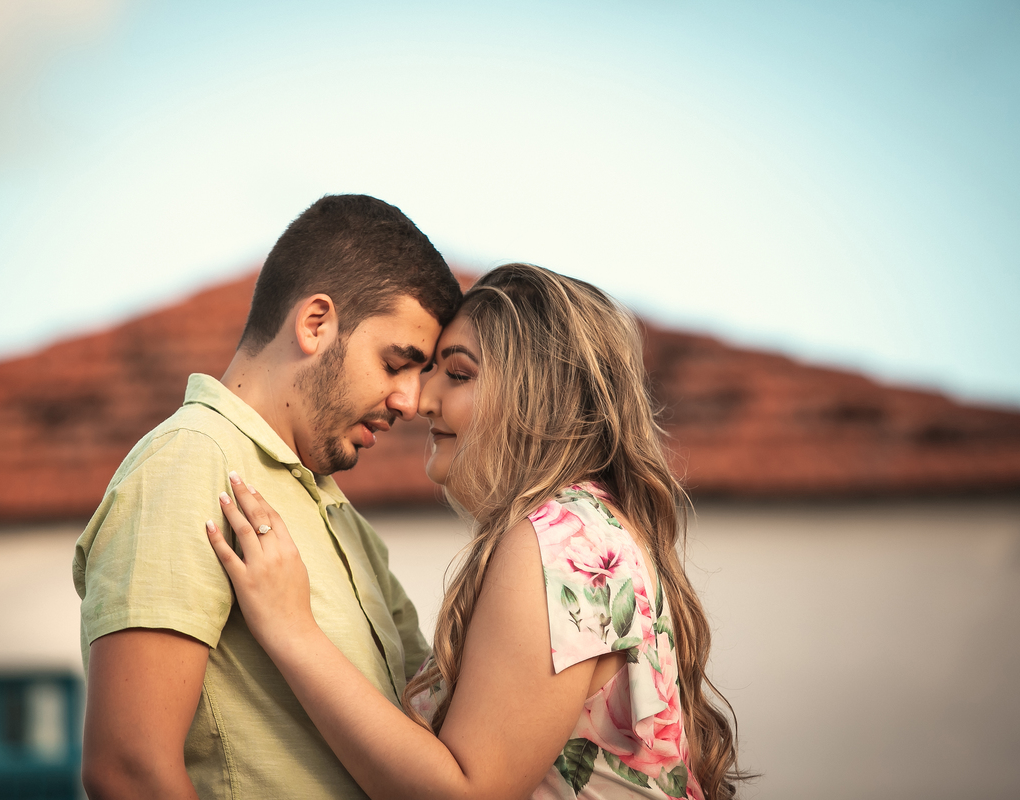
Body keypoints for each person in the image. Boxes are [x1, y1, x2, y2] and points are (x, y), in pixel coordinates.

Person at [207, 263, 745, 799]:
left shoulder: (562, 542)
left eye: (458, 374)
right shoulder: (590, 525)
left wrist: (291, 630)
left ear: (537, 394)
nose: (419, 401)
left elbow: (467, 793)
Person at [74, 194, 462, 800]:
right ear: (316, 324)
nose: (410, 402)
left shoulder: (342, 518)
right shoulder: (190, 463)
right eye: (396, 364)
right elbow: (128, 770)